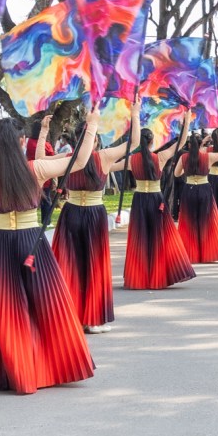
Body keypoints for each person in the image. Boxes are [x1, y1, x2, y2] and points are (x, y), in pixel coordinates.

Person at [0, 116, 97, 394]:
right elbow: (79, 161)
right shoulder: (35, 169)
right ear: (22, 141)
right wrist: (91, 125)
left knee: (5, 307)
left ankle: (13, 367)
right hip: (31, 239)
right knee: (44, 304)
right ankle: (46, 365)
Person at [52, 112, 130, 334]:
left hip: (71, 213)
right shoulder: (103, 156)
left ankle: (69, 316)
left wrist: (43, 134)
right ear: (93, 139)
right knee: (93, 266)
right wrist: (133, 115)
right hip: (94, 215)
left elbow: (38, 158)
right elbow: (133, 143)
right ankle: (92, 319)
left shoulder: (66, 158)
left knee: (70, 265)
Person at [124, 120, 196, 289]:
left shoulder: (131, 160)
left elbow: (109, 167)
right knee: (159, 237)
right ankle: (158, 273)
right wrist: (186, 123)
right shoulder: (161, 157)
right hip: (156, 198)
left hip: (140, 199)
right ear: (151, 141)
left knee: (140, 237)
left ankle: (140, 276)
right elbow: (181, 143)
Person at [174, 126, 218, 263]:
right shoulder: (208, 157)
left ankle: (190, 252)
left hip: (189, 190)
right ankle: (207, 252)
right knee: (207, 221)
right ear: (202, 144)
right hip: (204, 189)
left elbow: (176, 174)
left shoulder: (184, 157)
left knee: (189, 222)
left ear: (188, 144)